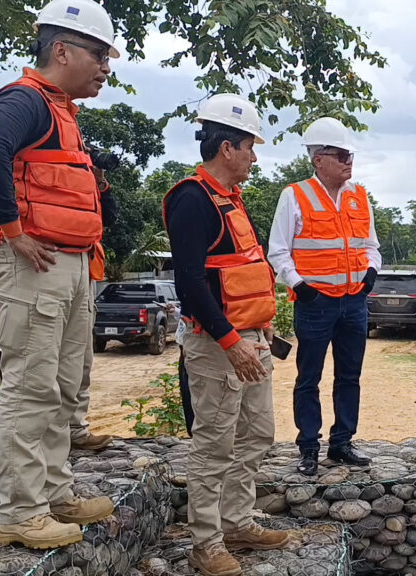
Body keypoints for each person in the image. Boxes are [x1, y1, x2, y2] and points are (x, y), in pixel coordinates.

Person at [0, 0, 119, 549]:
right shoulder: (24, 101)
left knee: (59, 386)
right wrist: (12, 230)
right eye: (99, 55)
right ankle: (20, 513)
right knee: (30, 388)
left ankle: (54, 492)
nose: (106, 68)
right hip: (33, 265)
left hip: (67, 265)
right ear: (61, 50)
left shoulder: (61, 114)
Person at [163, 93, 290, 576]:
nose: (254, 157)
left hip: (251, 339)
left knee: (258, 432)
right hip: (218, 347)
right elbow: (191, 283)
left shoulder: (231, 200)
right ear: (227, 149)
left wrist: (260, 326)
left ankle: (236, 521)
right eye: (249, 148)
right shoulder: (192, 200)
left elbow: (242, 270)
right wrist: (231, 342)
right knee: (213, 443)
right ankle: (205, 543)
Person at [267, 117, 381, 476]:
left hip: (354, 302)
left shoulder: (359, 196)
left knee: (350, 375)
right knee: (308, 377)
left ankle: (342, 442)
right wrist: (300, 286)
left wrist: (371, 274)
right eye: (341, 155)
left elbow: (371, 246)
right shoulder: (295, 195)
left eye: (350, 155)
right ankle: (308, 447)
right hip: (315, 304)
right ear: (319, 159)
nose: (349, 161)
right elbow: (278, 251)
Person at [69, 172, 117, 452]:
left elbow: (108, 217)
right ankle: (46, 440)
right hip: (50, 266)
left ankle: (75, 428)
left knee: (81, 362)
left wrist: (100, 184)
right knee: (44, 370)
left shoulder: (87, 182)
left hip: (83, 273)